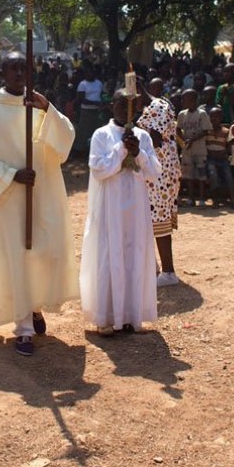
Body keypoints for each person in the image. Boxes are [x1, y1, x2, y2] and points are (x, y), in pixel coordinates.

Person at [0, 53, 77, 357]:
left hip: (42, 191)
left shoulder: (40, 106)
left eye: (24, 68)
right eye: (13, 68)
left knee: (44, 251)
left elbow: (65, 139)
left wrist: (47, 107)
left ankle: (35, 306)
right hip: (10, 199)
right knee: (17, 258)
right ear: (2, 72)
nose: (19, 73)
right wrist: (11, 175)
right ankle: (24, 328)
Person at [80, 89, 161, 336]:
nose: (125, 109)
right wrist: (120, 149)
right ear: (111, 106)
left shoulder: (143, 136)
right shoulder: (102, 135)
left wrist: (138, 153)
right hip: (110, 205)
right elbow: (99, 168)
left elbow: (154, 172)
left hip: (135, 206)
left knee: (133, 255)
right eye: (120, 104)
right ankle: (106, 316)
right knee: (109, 254)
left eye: (130, 105)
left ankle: (130, 316)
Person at [136, 79, 182, 287]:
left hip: (161, 174)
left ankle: (169, 271)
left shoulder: (158, 107)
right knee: (150, 219)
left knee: (159, 219)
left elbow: (154, 139)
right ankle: (153, 267)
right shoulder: (150, 108)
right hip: (155, 172)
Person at [176, 89, 211, 208]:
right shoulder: (182, 114)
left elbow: (205, 130)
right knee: (188, 176)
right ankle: (191, 199)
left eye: (184, 99)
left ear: (193, 100)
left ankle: (201, 198)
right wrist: (183, 141)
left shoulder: (202, 114)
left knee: (201, 175)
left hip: (199, 149)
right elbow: (178, 129)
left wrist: (192, 140)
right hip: (187, 150)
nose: (182, 102)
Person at [205, 106, 234, 208]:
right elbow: (204, 145)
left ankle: (233, 200)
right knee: (213, 175)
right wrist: (210, 153)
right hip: (211, 158)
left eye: (217, 116)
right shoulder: (206, 131)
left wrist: (224, 153)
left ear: (221, 118)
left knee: (229, 176)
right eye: (212, 116)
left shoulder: (226, 131)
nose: (214, 119)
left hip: (223, 158)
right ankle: (215, 200)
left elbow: (229, 146)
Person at [73, 66, 104, 155]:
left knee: (94, 130)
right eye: (88, 73)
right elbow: (81, 99)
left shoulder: (99, 83)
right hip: (86, 111)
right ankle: (80, 150)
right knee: (84, 131)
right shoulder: (82, 84)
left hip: (97, 111)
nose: (90, 74)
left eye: (92, 72)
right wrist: (95, 103)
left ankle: (93, 149)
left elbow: (102, 94)